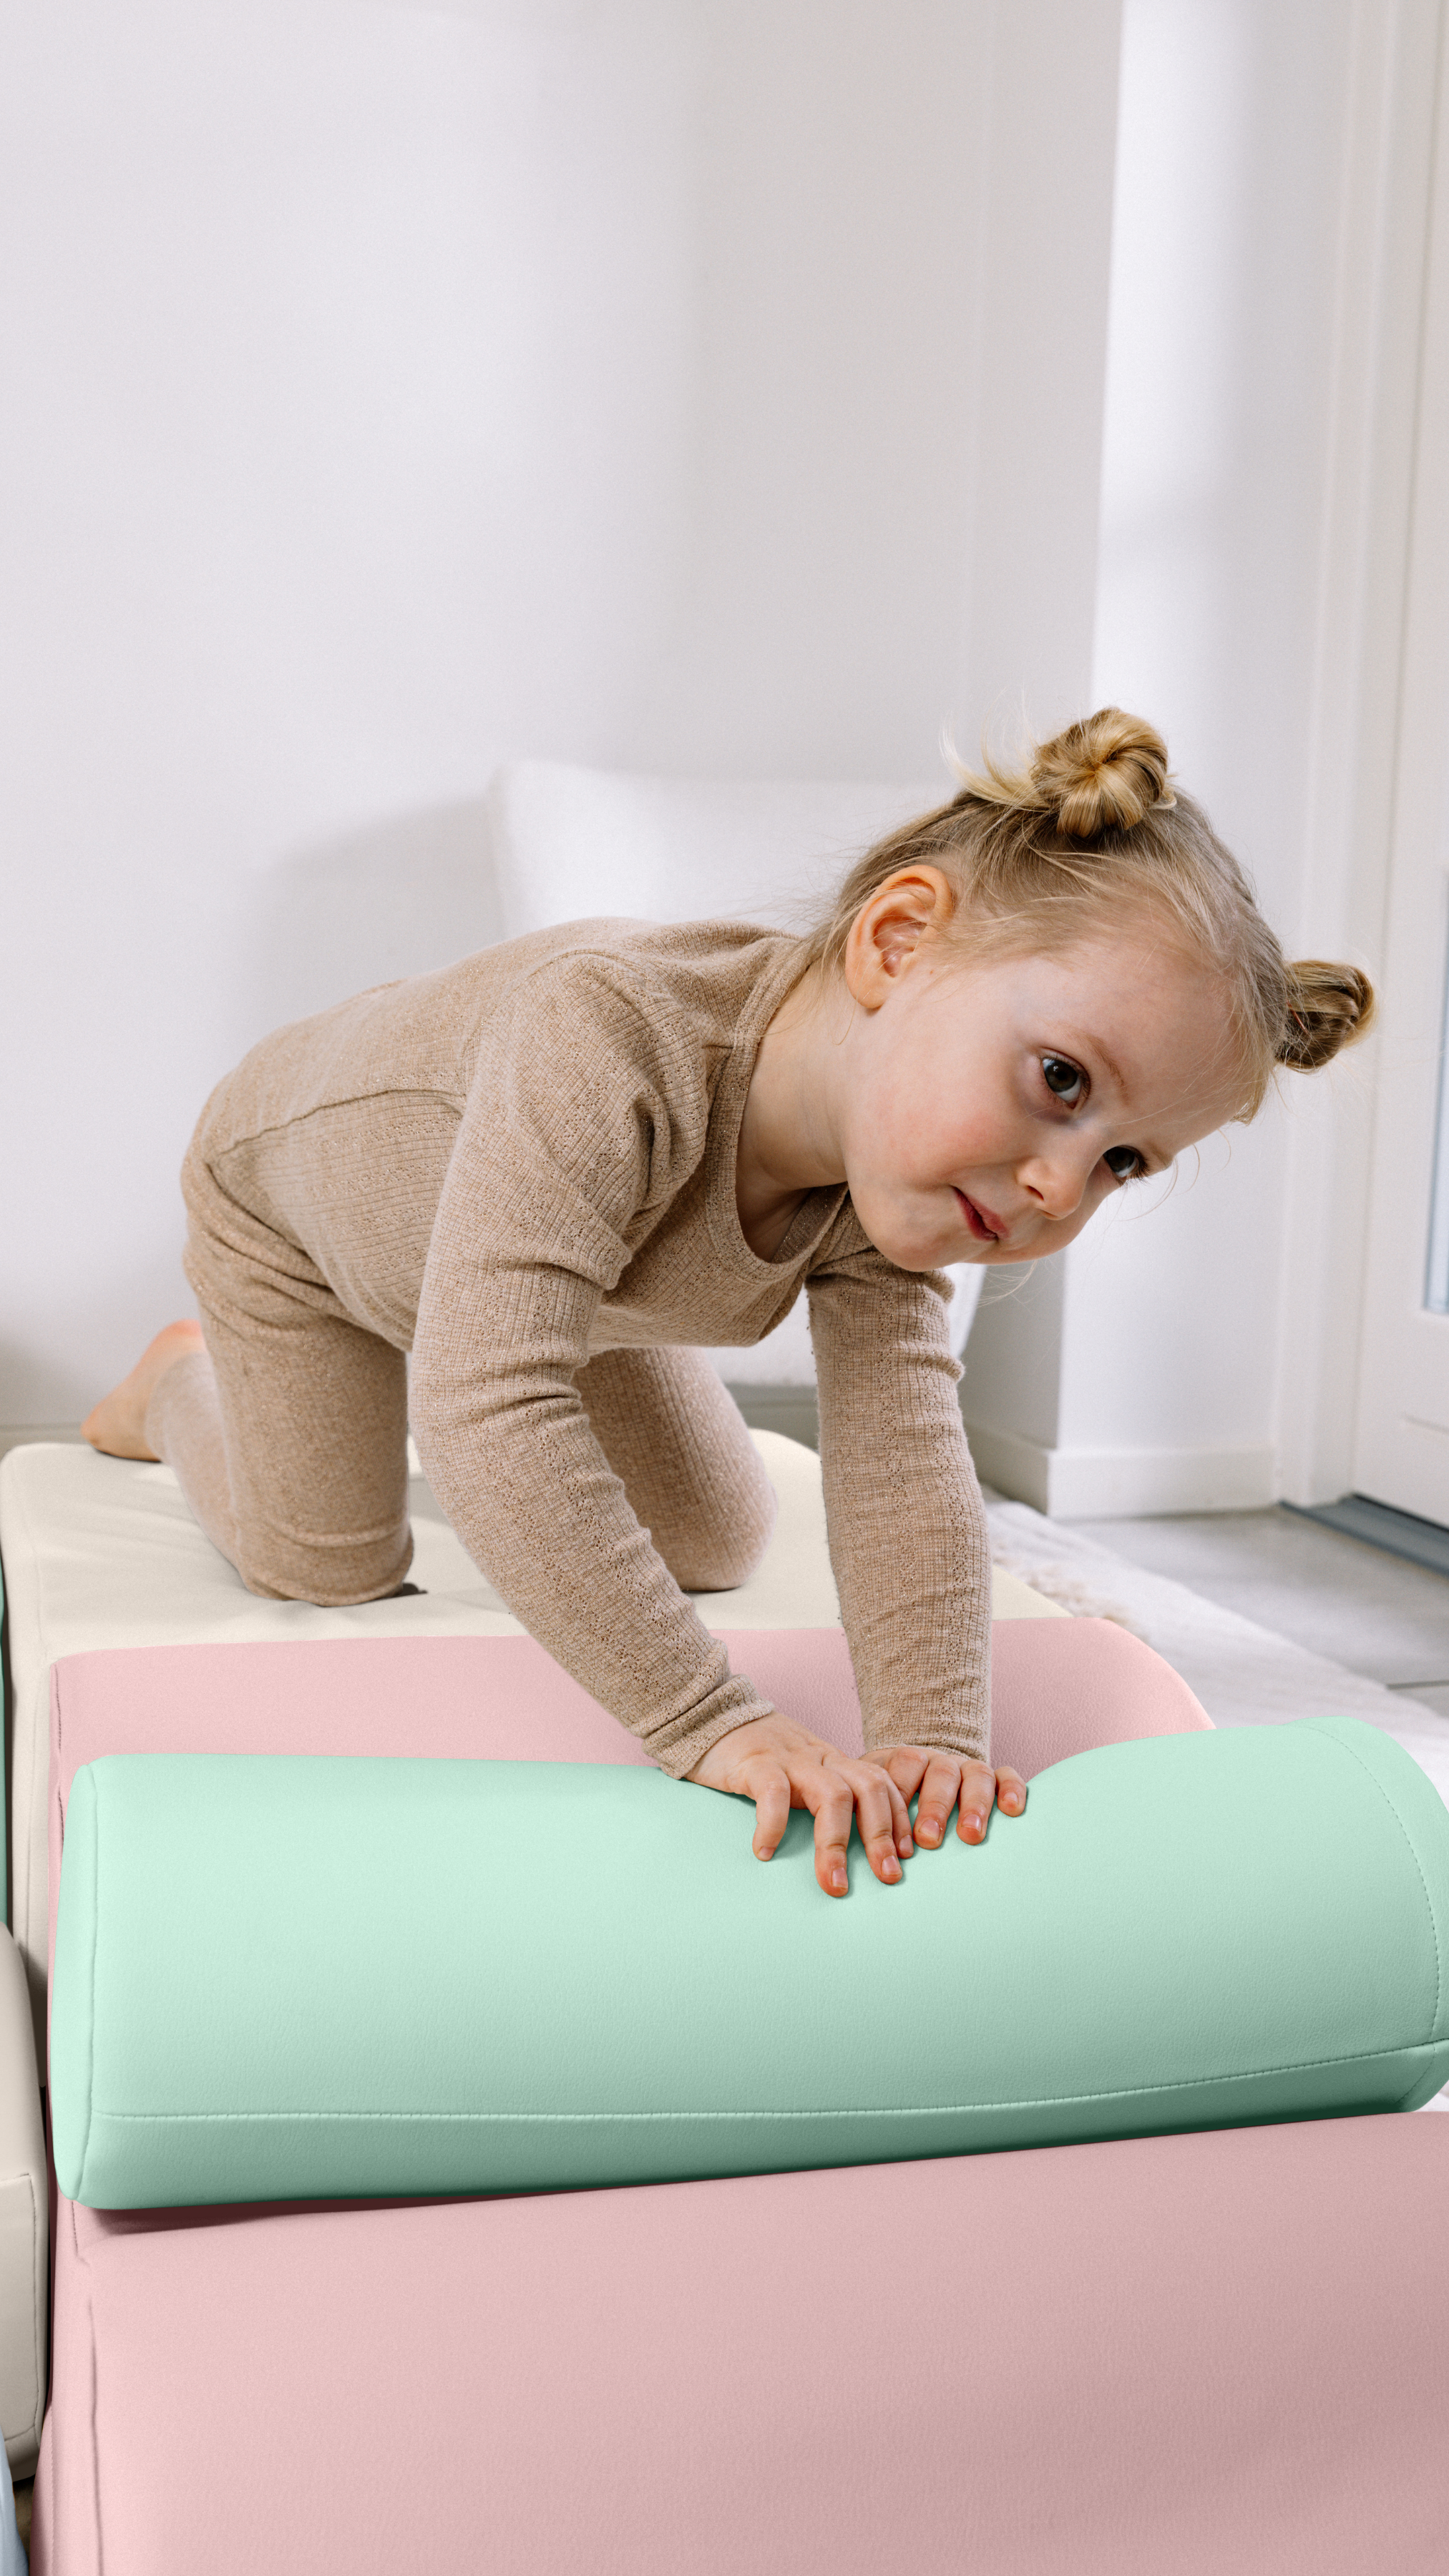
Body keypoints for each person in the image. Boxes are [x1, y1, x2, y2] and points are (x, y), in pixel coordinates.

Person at [83, 709, 1373, 1896]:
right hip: (301, 1221)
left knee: (717, 1534)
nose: (1057, 1184)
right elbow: (483, 1404)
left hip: (559, 1283)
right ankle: (179, 1384)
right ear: (898, 938)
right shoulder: (608, 1044)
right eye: (1059, 1080)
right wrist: (714, 1720)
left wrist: (934, 1739)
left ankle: (506, 1322)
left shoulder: (889, 1203)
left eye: (1122, 1163)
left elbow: (901, 1453)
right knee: (328, 1565)